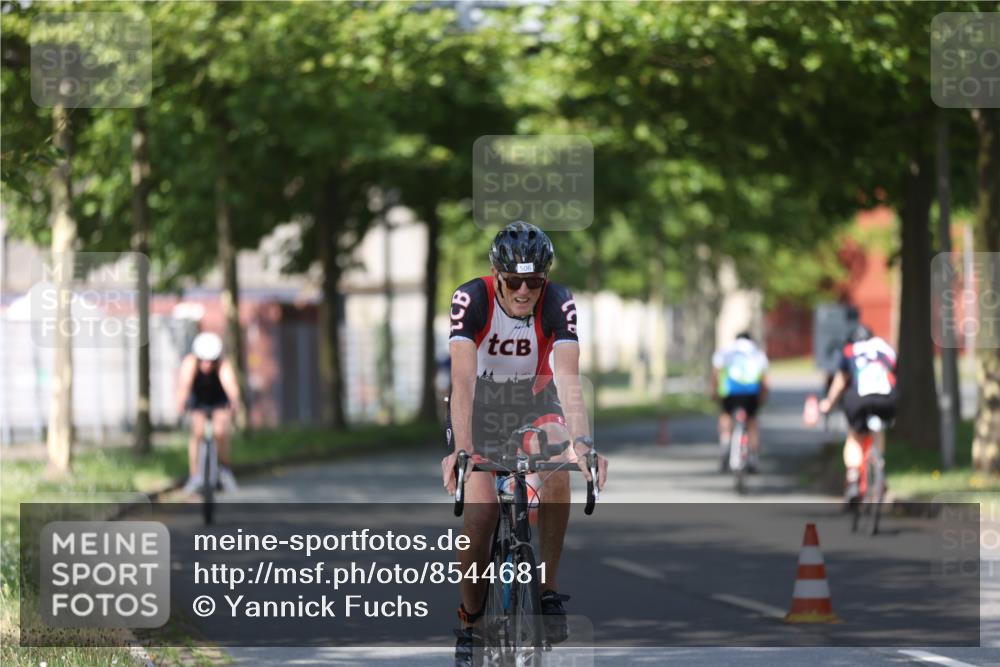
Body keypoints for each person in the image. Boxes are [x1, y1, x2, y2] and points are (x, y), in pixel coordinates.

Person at [440, 220, 608, 666]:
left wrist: (583, 443)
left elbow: (569, 377)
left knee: (557, 468)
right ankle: (472, 622)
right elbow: (461, 379)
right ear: (497, 277)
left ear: (544, 281)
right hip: (477, 406)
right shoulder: (470, 299)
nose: (523, 291)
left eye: (533, 282)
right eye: (513, 281)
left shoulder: (558, 302)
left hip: (534, 401)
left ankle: (548, 590)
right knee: (480, 514)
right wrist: (462, 453)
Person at [818, 324, 897, 501]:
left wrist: (829, 403)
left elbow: (840, 381)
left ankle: (853, 478)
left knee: (854, 435)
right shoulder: (885, 349)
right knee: (878, 429)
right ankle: (879, 468)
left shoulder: (850, 350)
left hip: (859, 398)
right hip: (886, 398)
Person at [175, 331, 241, 495]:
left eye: (211, 361)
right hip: (198, 401)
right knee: (198, 432)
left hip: (218, 399)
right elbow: (183, 386)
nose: (207, 365)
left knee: (220, 431)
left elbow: (231, 385)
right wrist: (181, 403)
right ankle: (195, 475)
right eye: (203, 361)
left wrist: (234, 401)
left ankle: (224, 469)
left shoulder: (223, 365)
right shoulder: (189, 363)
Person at [711, 332, 769, 473]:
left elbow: (715, 373)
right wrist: (762, 399)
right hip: (751, 394)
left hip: (731, 393)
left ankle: (725, 446)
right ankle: (753, 456)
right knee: (752, 421)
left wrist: (714, 393)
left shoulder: (726, 350)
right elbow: (765, 381)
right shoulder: (757, 352)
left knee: (726, 415)